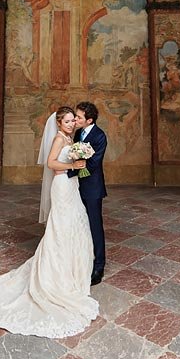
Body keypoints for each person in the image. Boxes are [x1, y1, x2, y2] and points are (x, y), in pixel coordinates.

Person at [0, 106, 99, 338]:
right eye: (67, 121)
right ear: (58, 123)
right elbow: (51, 164)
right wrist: (72, 165)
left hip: (71, 186)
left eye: (72, 121)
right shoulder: (59, 139)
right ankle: (54, 275)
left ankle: (72, 271)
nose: (71, 124)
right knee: (61, 227)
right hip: (62, 185)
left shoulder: (70, 138)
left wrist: (79, 161)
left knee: (74, 225)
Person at [69, 101, 108, 285]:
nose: (75, 119)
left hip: (92, 188)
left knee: (94, 225)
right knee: (79, 223)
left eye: (78, 117)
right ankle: (81, 258)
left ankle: (99, 265)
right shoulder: (78, 133)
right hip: (76, 186)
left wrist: (71, 170)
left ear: (89, 120)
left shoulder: (100, 136)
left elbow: (93, 164)